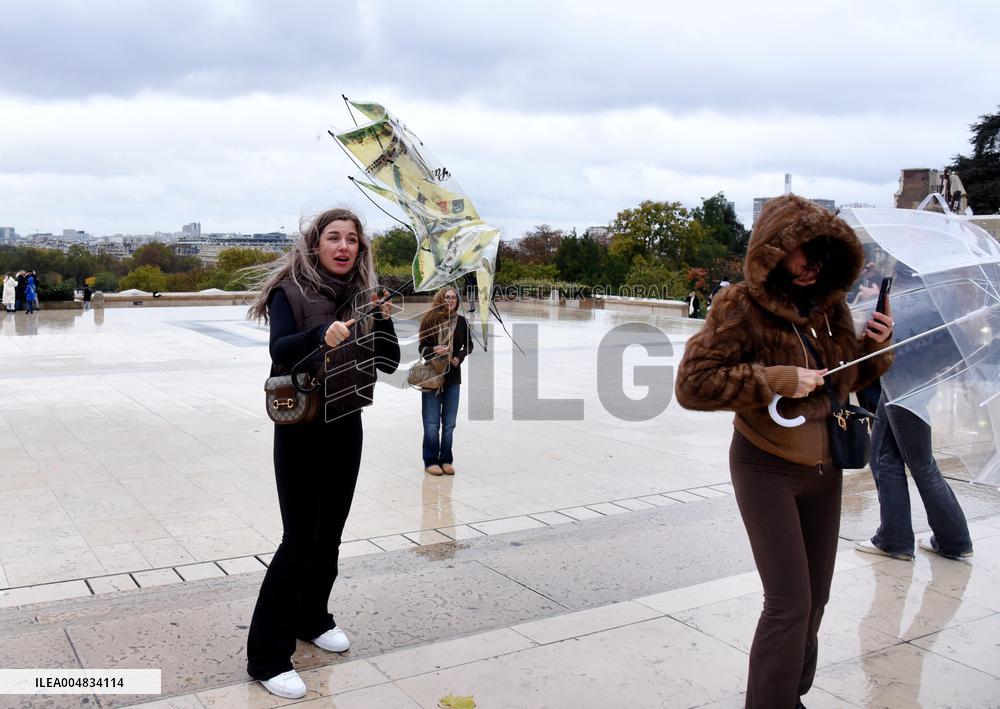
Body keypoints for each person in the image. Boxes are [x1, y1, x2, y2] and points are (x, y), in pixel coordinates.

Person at [675, 195, 894, 709]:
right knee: (789, 602)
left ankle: (787, 695)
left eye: (820, 252)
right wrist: (772, 380)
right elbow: (693, 384)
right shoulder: (739, 306)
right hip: (764, 465)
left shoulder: (829, 308)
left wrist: (875, 349)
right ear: (773, 251)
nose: (810, 263)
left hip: (826, 469)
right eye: (800, 250)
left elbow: (841, 383)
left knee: (815, 600)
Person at [244, 208, 400, 699]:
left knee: (329, 534)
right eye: (334, 238)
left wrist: (382, 321)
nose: (343, 246)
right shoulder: (288, 291)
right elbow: (280, 350)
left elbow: (390, 362)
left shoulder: (364, 297)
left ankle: (312, 617)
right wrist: (320, 334)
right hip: (302, 428)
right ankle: (267, 656)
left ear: (360, 249)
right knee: (299, 539)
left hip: (346, 424)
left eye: (352, 239)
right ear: (316, 245)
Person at [855, 268, 973, 562]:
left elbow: (910, 324)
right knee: (886, 454)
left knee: (916, 460)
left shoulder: (934, 279)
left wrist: (877, 303)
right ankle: (906, 537)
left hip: (908, 373)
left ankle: (943, 539)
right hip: (914, 374)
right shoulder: (951, 283)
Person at [418, 287, 473, 476]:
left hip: (453, 377)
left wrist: (458, 358)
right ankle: (431, 461)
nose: (450, 300)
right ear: (440, 299)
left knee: (449, 424)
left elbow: (469, 345)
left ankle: (446, 459)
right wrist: (434, 349)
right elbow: (422, 348)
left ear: (457, 301)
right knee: (431, 424)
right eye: (446, 297)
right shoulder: (430, 320)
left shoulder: (462, 322)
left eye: (453, 298)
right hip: (432, 376)